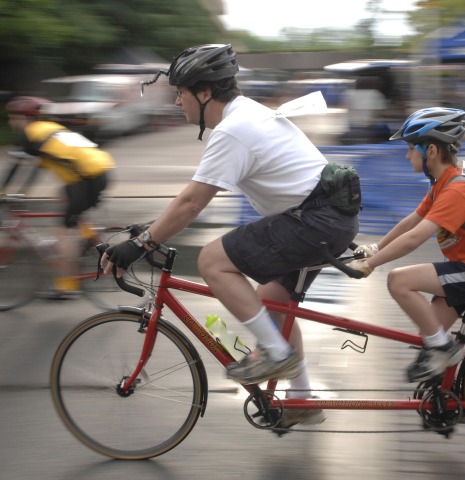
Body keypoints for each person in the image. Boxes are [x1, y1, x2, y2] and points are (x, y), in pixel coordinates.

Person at [100, 44, 360, 428]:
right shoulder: (247, 115)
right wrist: (149, 231)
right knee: (273, 302)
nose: (176, 101)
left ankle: (274, 353)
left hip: (315, 222)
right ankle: (303, 400)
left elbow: (192, 203)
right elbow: (188, 198)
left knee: (212, 260)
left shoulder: (234, 130)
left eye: (181, 93)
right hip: (326, 219)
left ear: (204, 93)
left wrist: (141, 245)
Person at [347, 107, 465, 383]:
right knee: (428, 334)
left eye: (411, 149)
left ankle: (444, 349)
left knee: (398, 281)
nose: (408, 155)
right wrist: (376, 247)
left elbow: (414, 238)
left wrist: (371, 265)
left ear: (431, 151)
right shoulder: (443, 184)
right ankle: (443, 402)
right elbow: (411, 221)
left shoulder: (458, 190)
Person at [3, 95, 114, 298]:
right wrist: (21, 193)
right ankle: (88, 237)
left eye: (13, 117)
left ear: (22, 117)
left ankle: (68, 286)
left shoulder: (30, 133)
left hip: (87, 180)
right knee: (60, 196)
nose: (11, 122)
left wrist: (3, 192)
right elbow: (34, 168)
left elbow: (15, 168)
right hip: (95, 173)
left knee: (63, 230)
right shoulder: (48, 129)